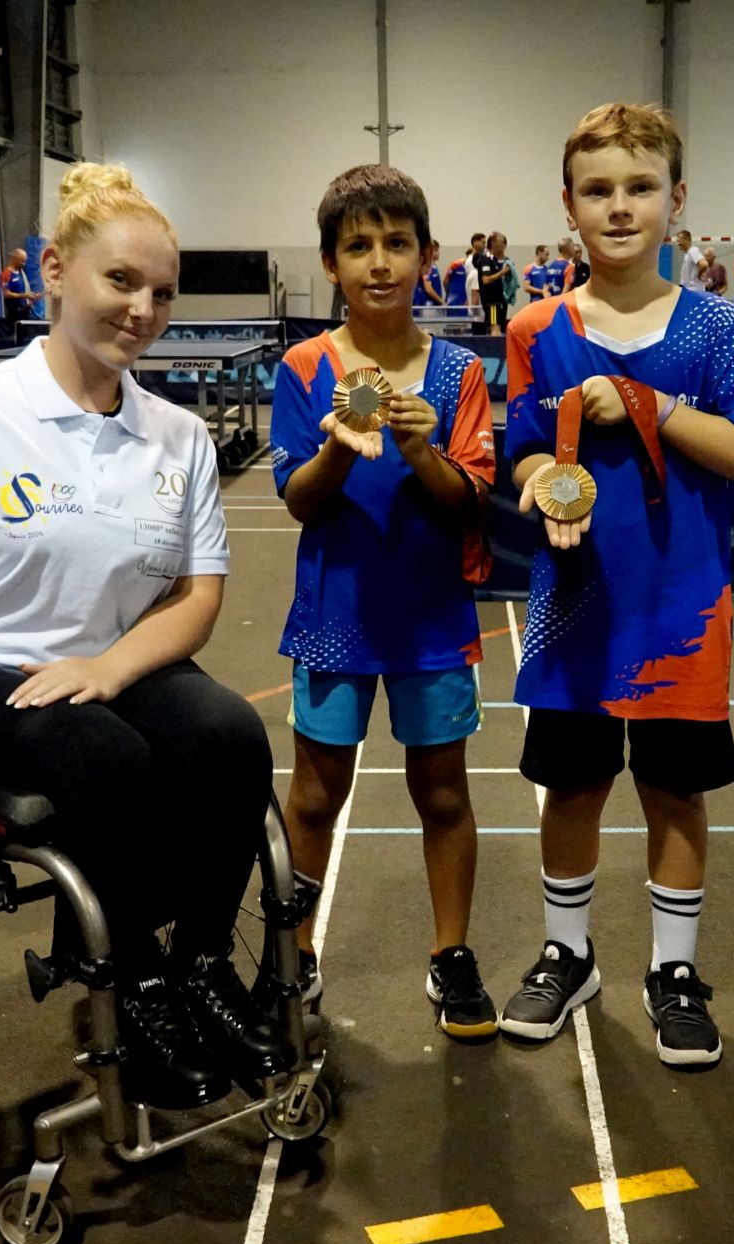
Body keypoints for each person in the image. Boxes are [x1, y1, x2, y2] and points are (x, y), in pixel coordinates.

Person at [0, 163, 282, 1111]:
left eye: (162, 292)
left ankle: (201, 965)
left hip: (109, 659)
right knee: (104, 759)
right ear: (57, 272)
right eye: (121, 281)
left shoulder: (179, 436)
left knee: (232, 736)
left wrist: (109, 665)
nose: (143, 309)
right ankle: (136, 982)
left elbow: (197, 598)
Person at [498, 103, 734, 1066]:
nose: (619, 207)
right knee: (571, 786)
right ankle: (568, 955)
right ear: (568, 205)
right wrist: (547, 485)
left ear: (676, 199)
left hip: (680, 609)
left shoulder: (717, 327)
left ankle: (675, 971)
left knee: (674, 790)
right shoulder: (534, 328)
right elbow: (524, 452)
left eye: (640, 187)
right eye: (598, 190)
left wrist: (649, 405)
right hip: (573, 604)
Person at [271, 164, 499, 1040]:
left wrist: (419, 450)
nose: (379, 262)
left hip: (432, 623)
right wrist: (337, 446)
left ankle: (452, 953)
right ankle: (294, 954)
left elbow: (466, 497)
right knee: (314, 796)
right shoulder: (303, 368)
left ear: (427, 256)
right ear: (330, 262)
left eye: (397, 243)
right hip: (334, 620)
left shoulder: (460, 373)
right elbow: (299, 499)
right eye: (358, 245)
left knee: (442, 794)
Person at [0, 247, 43, 336]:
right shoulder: (7, 273)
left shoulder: (21, 273)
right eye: (22, 261)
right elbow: (6, 294)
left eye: (24, 261)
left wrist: (32, 297)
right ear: (14, 259)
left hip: (25, 312)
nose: (24, 264)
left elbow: (25, 291)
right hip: (14, 313)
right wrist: (25, 295)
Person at [475, 231, 511, 335]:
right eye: (502, 242)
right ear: (493, 243)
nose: (504, 245)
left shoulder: (495, 260)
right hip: (492, 303)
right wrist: (502, 273)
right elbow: (485, 280)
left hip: (500, 300)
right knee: (495, 327)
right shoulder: (485, 259)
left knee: (500, 326)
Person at [413, 238, 445, 306]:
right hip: (428, 305)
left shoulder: (434, 267)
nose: (438, 253)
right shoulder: (426, 268)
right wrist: (441, 301)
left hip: (435, 305)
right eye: (435, 250)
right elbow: (428, 288)